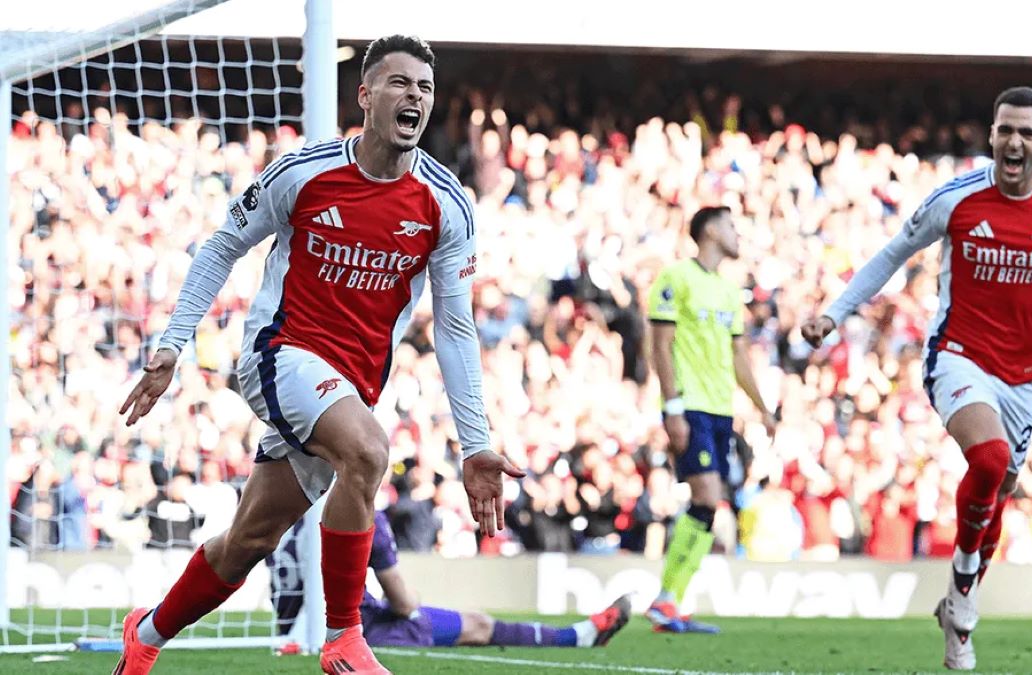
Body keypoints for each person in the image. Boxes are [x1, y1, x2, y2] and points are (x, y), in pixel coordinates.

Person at [113, 35, 523, 675]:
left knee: (250, 539)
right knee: (368, 450)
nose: (413, 95)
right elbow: (223, 245)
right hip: (278, 353)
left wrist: (475, 444)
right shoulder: (303, 173)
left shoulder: (447, 205)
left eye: (424, 87)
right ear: (364, 96)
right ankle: (343, 639)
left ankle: (148, 632)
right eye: (398, 83)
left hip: (348, 383)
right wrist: (172, 344)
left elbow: (455, 327)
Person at [800, 87, 1032, 670]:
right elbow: (891, 255)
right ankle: (964, 610)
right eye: (1004, 130)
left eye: (1026, 132)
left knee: (1001, 491)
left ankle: (957, 604)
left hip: (1024, 374)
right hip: (958, 356)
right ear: (992, 135)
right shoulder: (956, 199)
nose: (1014, 142)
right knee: (988, 461)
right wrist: (834, 314)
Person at [643, 206, 777, 634]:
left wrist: (761, 407)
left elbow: (739, 357)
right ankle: (666, 598)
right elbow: (660, 347)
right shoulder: (676, 278)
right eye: (733, 226)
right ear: (711, 231)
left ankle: (669, 600)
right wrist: (672, 407)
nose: (738, 234)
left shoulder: (728, 291)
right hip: (691, 404)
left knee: (710, 501)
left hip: (722, 410)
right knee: (706, 493)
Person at [270, 511, 630, 650]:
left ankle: (582, 635)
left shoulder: (274, 505)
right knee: (478, 624)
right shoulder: (366, 518)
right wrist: (412, 598)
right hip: (361, 630)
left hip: (288, 627)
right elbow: (404, 603)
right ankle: (578, 637)